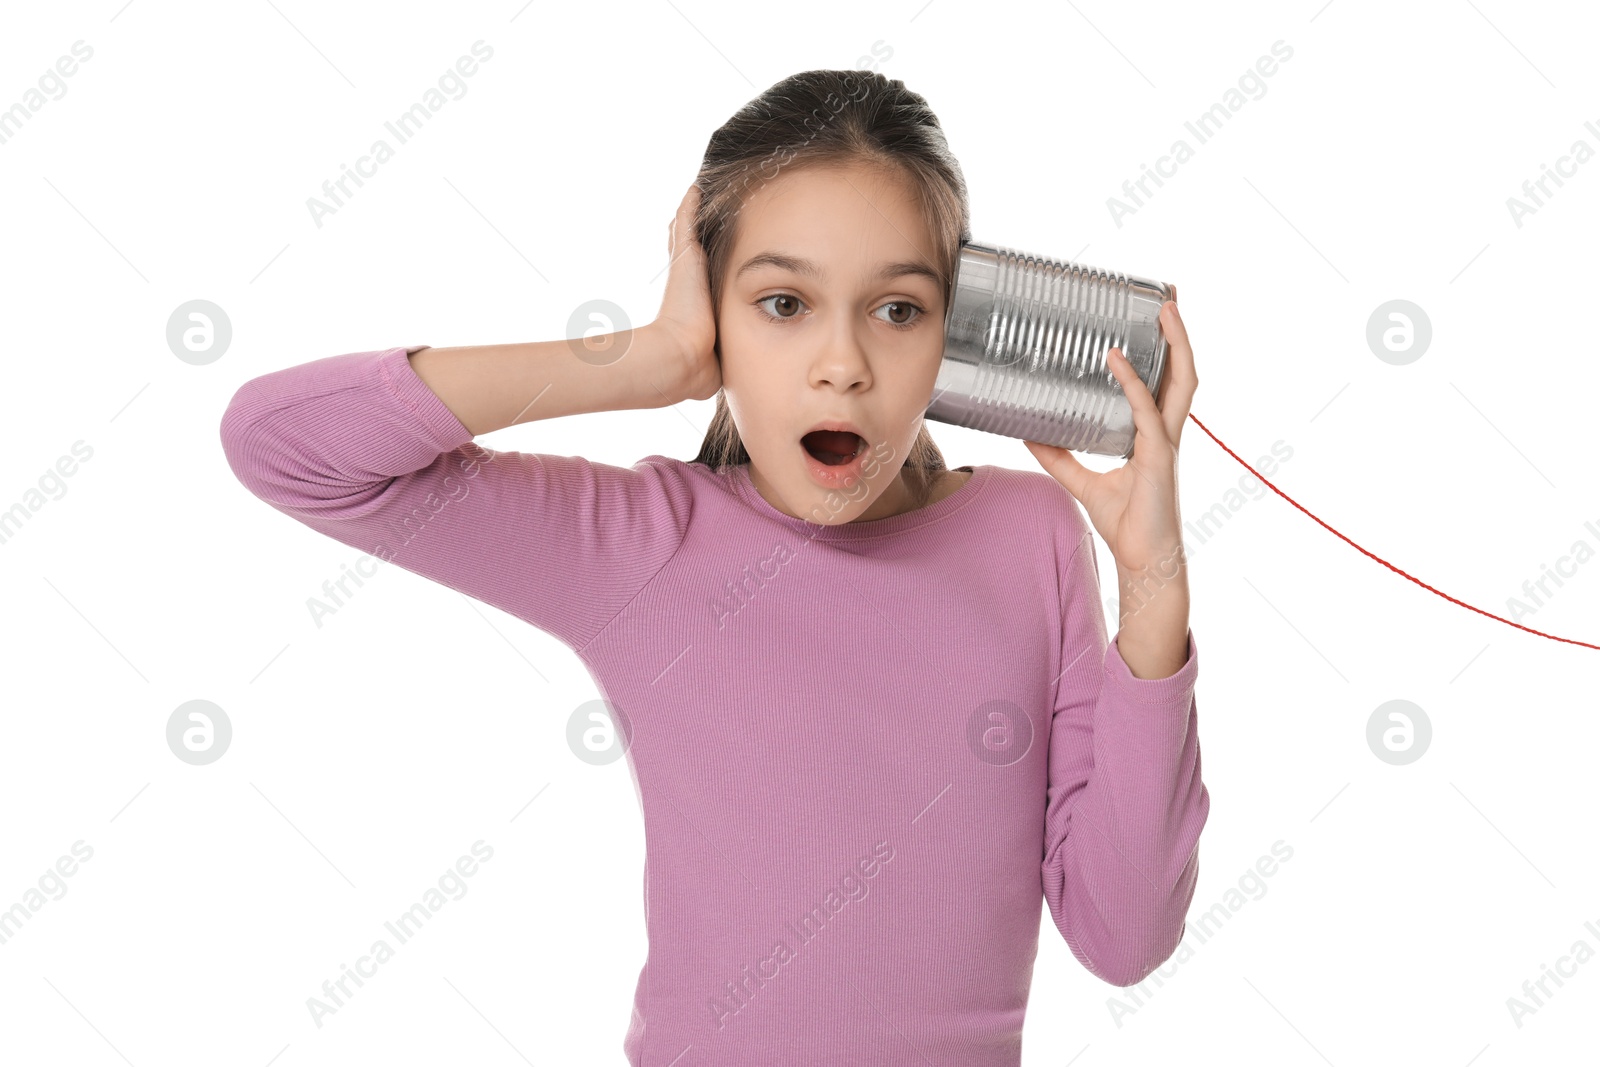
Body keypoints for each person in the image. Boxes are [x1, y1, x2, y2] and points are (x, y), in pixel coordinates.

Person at [219, 68, 1207, 1067]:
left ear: (954, 326)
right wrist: (645, 360)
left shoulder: (1027, 533)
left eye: (897, 309)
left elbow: (1123, 936)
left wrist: (1153, 586)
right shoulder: (646, 542)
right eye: (782, 302)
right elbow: (284, 446)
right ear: (714, 314)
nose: (842, 364)